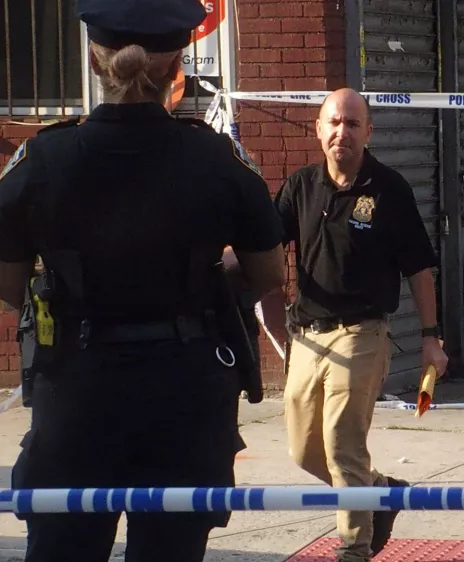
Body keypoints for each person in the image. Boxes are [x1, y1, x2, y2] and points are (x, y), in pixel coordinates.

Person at [0, 0, 287, 559]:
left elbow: (10, 286)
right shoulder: (218, 158)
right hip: (184, 395)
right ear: (178, 65)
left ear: (92, 57)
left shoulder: (43, 157)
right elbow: (269, 274)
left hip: (77, 391)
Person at [258, 87, 449, 562]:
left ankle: (353, 547)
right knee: (304, 453)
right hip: (307, 337)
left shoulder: (389, 188)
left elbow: (419, 270)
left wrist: (431, 340)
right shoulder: (301, 185)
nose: (342, 132)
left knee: (342, 443)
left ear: (368, 131)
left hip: (363, 332)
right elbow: (264, 249)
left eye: (352, 123)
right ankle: (382, 492)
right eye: (334, 123)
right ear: (319, 129)